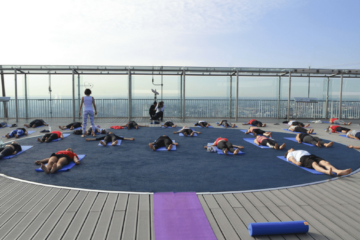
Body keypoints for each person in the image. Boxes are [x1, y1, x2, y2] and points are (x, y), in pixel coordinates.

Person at [285, 148, 352, 176]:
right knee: (314, 164)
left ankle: (338, 171)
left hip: (311, 155)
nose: (291, 148)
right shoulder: (289, 154)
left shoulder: (296, 150)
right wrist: (296, 163)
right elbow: (291, 159)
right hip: (303, 158)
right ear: (288, 151)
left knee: (326, 163)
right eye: (290, 149)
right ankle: (327, 172)